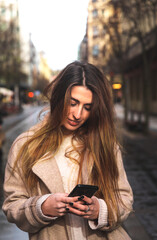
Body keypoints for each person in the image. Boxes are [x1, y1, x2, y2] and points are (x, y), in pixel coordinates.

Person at [2, 61, 133, 240]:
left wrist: (100, 210)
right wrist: (42, 207)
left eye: (87, 107)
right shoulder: (25, 145)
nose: (78, 114)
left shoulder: (104, 143)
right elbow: (12, 206)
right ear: (59, 98)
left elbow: (124, 198)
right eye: (73, 103)